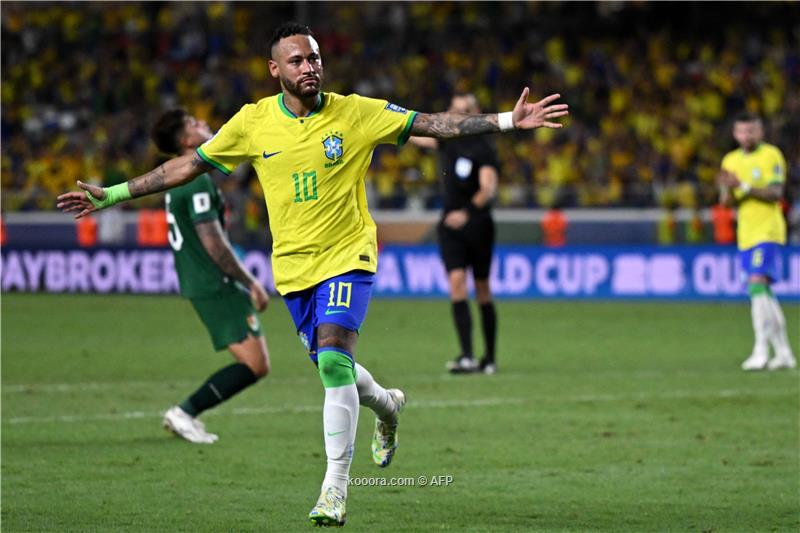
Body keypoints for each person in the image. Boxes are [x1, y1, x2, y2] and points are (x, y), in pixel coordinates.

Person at [57, 22, 569, 527]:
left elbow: (433, 123)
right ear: (274, 69)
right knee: (336, 369)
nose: (309, 67)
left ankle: (334, 490)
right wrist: (115, 194)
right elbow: (188, 166)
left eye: (315, 58)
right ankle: (388, 407)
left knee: (332, 361)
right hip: (294, 269)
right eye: (297, 60)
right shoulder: (253, 122)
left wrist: (508, 120)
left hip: (349, 255)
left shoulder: (356, 112)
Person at [148, 109, 271, 444]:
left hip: (202, 280)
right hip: (214, 282)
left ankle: (186, 413)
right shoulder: (196, 180)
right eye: (194, 123)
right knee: (255, 364)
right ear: (186, 140)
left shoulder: (179, 178)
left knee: (257, 363)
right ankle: (184, 412)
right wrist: (251, 282)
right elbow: (214, 243)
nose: (204, 124)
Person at [409, 93, 500, 375]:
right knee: (457, 284)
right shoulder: (446, 140)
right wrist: (390, 124)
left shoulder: (484, 148)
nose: (457, 114)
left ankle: (489, 358)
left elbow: (488, 188)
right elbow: (413, 134)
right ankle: (467, 356)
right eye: (454, 109)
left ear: (476, 112)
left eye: (464, 109)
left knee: (482, 289)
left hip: (478, 224)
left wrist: (467, 212)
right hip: (450, 226)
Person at [717, 112, 796, 371]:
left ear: (760, 132)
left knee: (756, 284)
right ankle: (783, 352)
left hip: (768, 230)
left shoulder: (771, 155)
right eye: (741, 131)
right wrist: (726, 187)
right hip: (746, 234)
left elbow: (775, 193)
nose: (746, 136)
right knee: (762, 292)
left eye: (751, 131)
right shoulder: (730, 160)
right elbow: (727, 203)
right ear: (735, 134)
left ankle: (760, 350)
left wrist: (743, 185)